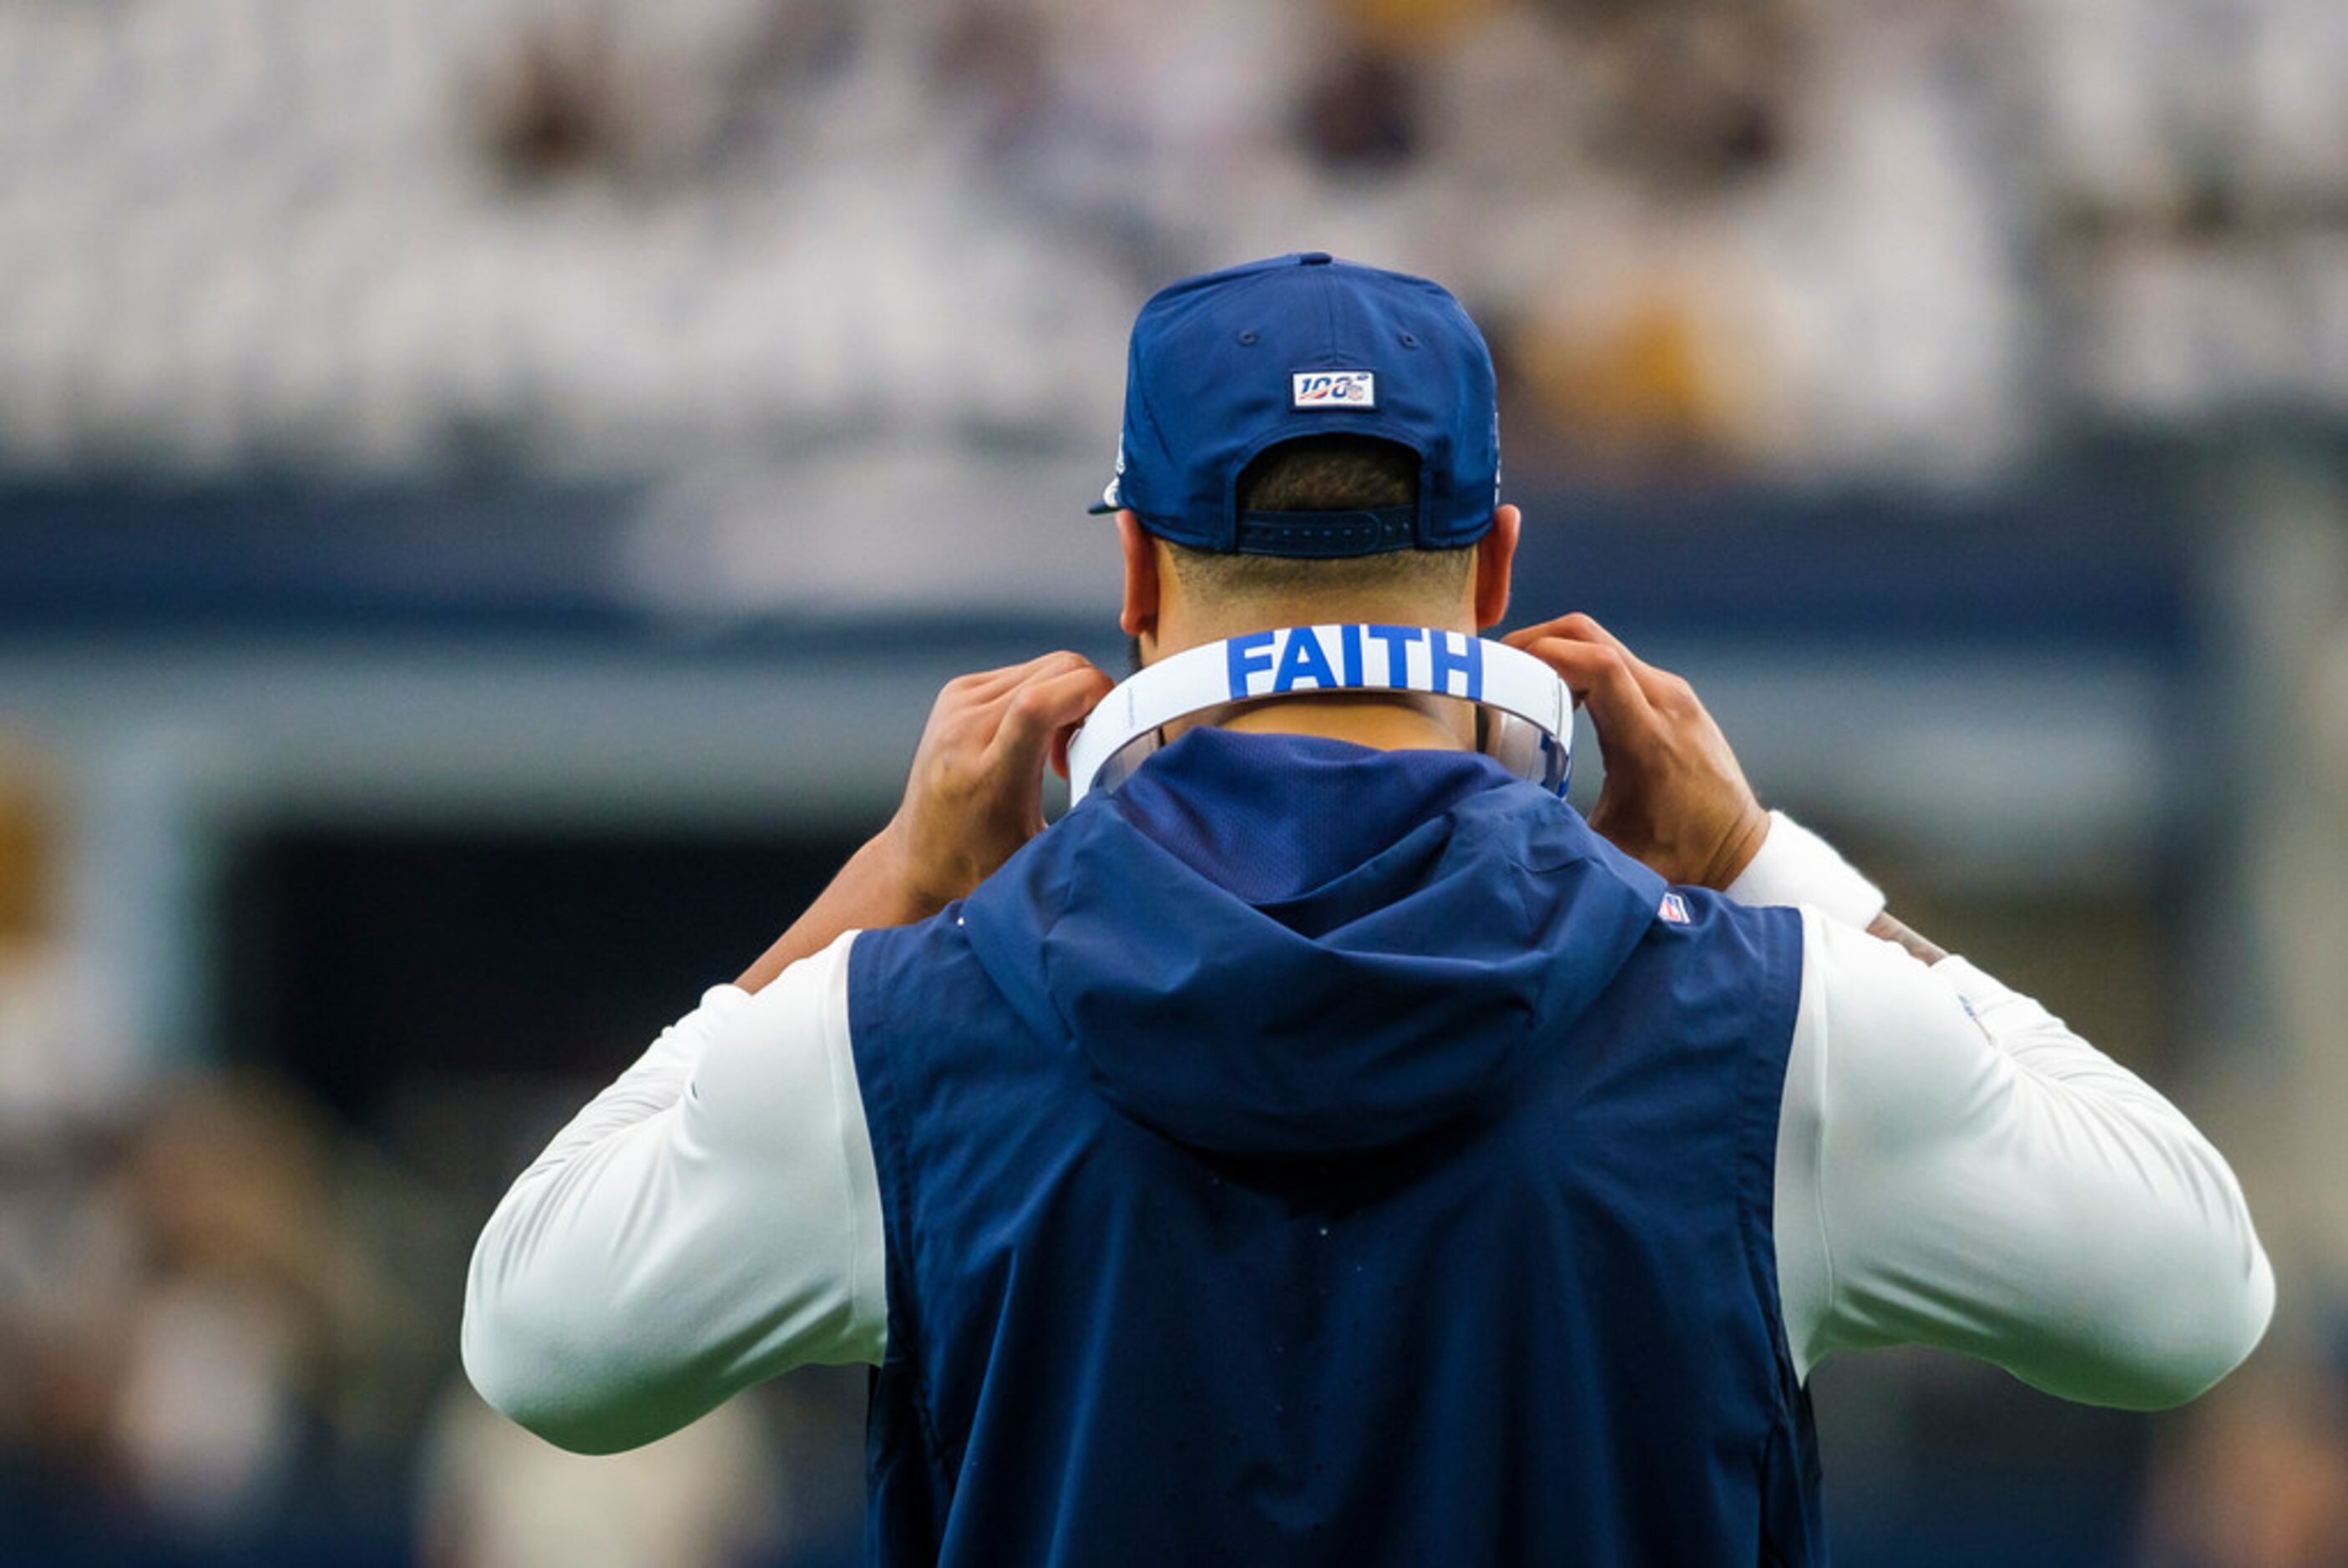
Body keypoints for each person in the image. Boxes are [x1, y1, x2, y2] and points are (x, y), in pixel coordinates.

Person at [461, 253, 2273, 1565]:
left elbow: (538, 1342)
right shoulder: (1762, 1015)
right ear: (1489, 567)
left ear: (1133, 574)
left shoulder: (905, 1030)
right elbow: (2188, 1293)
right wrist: (1765, 865)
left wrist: (874, 899)